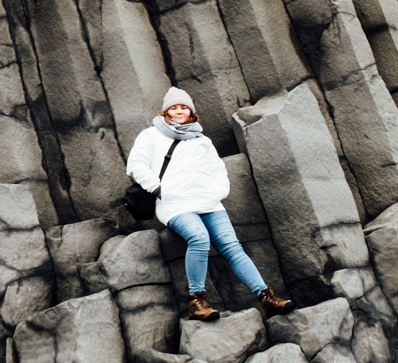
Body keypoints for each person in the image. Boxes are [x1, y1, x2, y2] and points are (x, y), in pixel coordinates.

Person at [125, 86, 294, 322]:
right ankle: (197, 300)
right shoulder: (151, 135)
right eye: (173, 107)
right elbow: (136, 164)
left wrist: (219, 191)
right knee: (199, 238)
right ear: (166, 112)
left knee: (232, 246)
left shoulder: (201, 140)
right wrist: (159, 189)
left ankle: (266, 297)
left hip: (210, 203)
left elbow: (218, 169)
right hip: (175, 205)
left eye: (183, 106)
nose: (179, 110)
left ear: (191, 112)